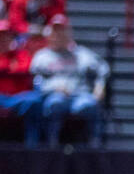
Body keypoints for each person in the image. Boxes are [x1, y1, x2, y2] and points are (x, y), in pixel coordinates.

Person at [29, 16, 109, 147]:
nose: (58, 35)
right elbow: (36, 82)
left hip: (79, 94)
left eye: (62, 31)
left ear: (69, 33)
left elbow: (103, 68)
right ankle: (51, 144)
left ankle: (94, 146)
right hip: (54, 95)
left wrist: (100, 86)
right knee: (55, 104)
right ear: (50, 34)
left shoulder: (81, 54)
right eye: (55, 31)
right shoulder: (42, 56)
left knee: (89, 104)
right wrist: (53, 88)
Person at [0, 19, 42, 146]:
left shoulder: (21, 55)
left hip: (16, 99)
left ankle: (32, 148)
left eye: (6, 36)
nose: (3, 39)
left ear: (12, 38)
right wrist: (8, 69)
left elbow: (26, 69)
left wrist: (1, 70)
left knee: (34, 100)